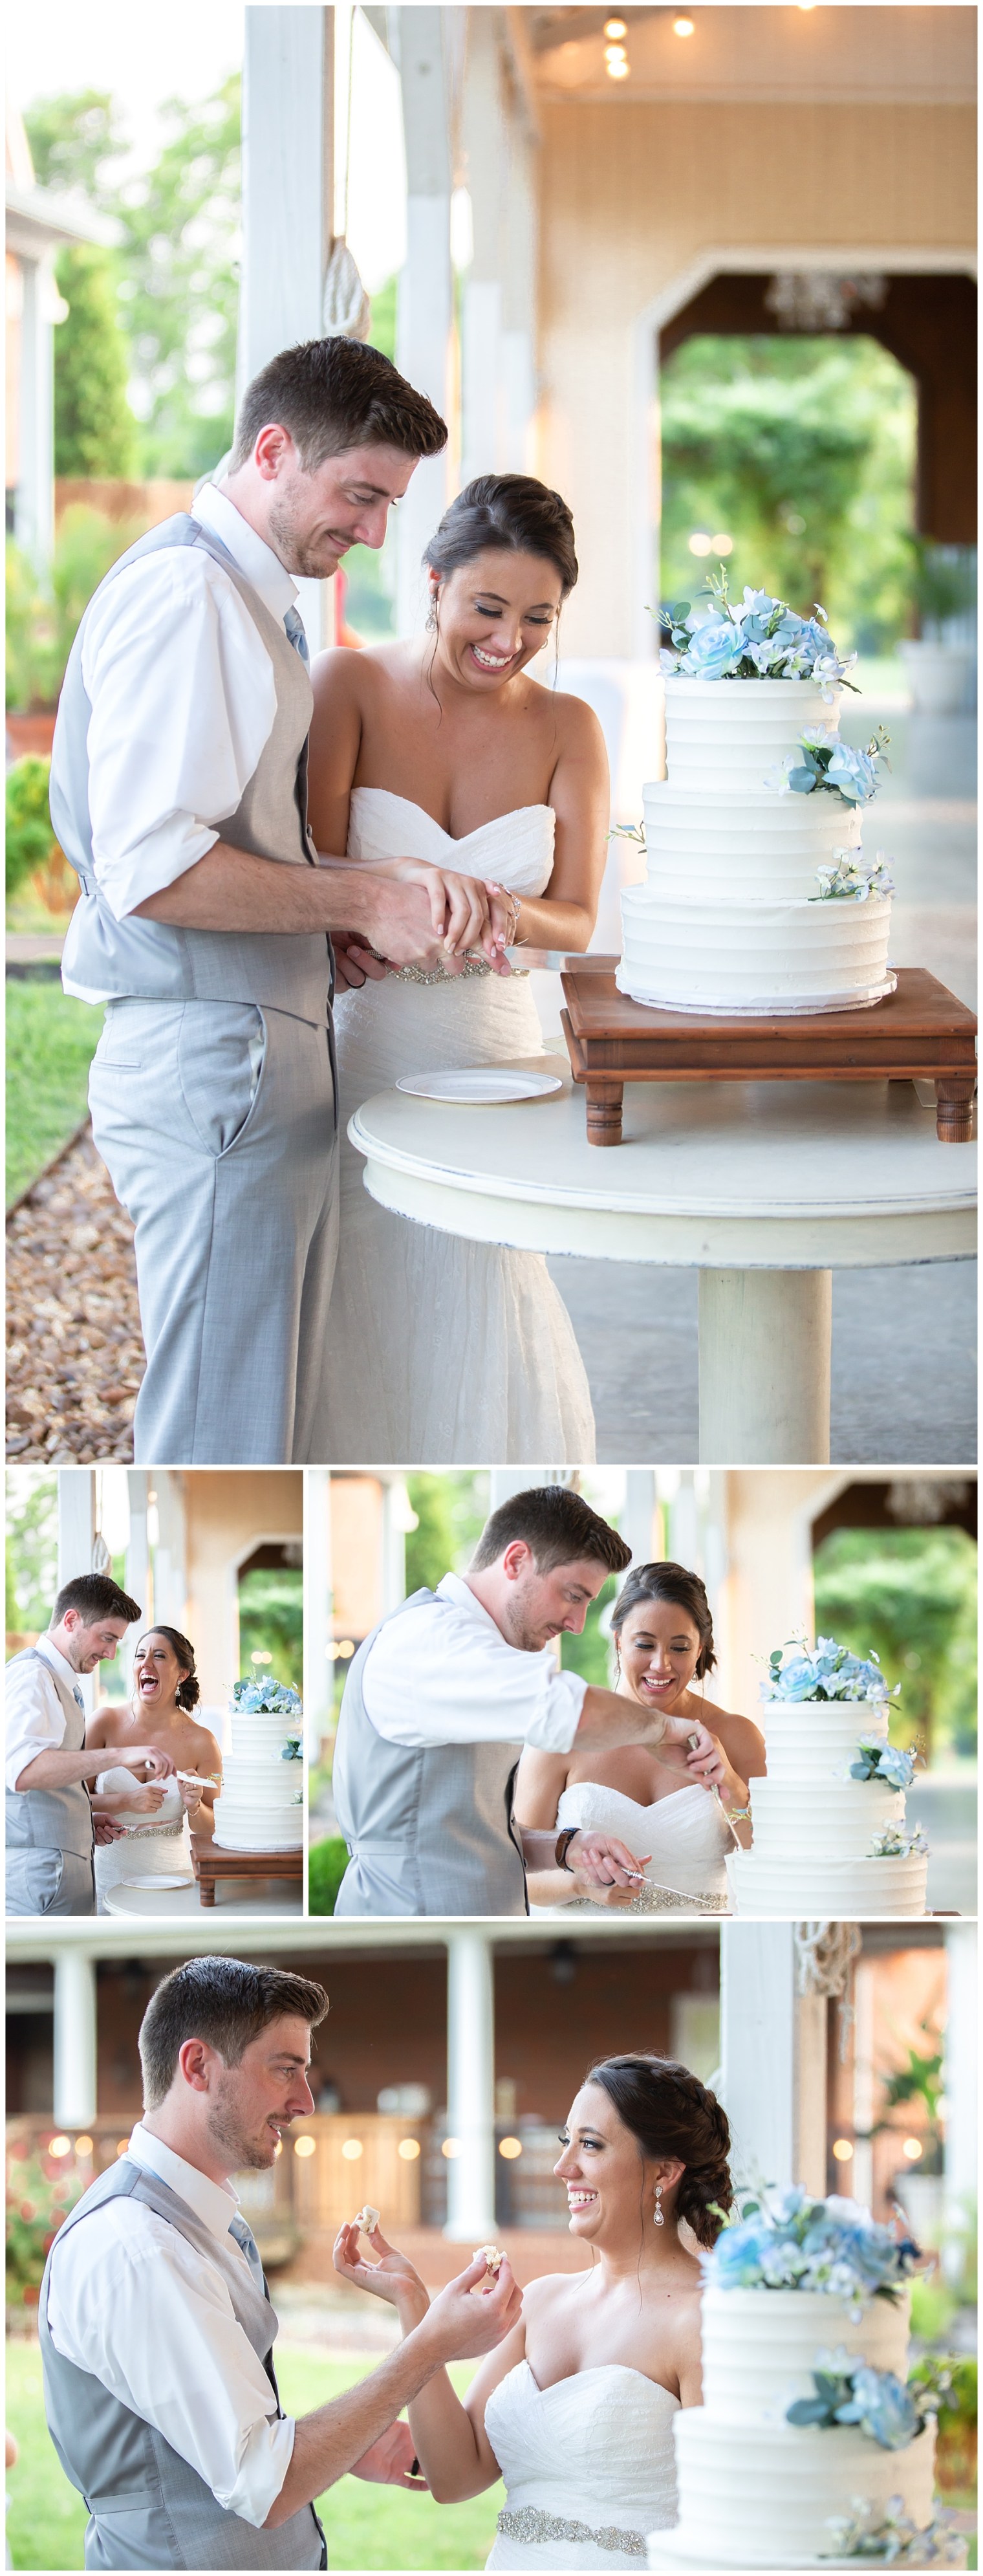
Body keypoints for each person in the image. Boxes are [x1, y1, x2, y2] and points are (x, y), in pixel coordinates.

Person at [49, 335, 475, 1467]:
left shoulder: (244, 592)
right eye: (361, 494)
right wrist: (368, 894)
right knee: (220, 1436)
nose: (378, 529)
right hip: (213, 1073)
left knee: (256, 1419)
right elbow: (151, 870)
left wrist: (323, 927)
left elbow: (218, 841)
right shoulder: (192, 594)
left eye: (392, 502)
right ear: (275, 450)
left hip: (238, 1058)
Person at [307, 472, 609, 1464]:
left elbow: (575, 918)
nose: (508, 638)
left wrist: (500, 907)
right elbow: (310, 868)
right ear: (431, 583)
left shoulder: (570, 727)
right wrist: (392, 889)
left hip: (495, 1051)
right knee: (360, 1286)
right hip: (366, 1046)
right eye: (487, 606)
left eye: (537, 616)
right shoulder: (345, 685)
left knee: (484, 1283)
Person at [39, 1956, 523, 2571]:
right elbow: (262, 2482)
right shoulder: (140, 2249)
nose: (305, 2102)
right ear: (198, 2067)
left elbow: (218, 2421)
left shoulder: (208, 2224)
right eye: (284, 2071)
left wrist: (344, 2449)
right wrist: (429, 2346)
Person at [334, 2053, 733, 2570]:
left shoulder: (706, 2320)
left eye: (590, 2144)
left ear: (665, 2171)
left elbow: (727, 2526)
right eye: (567, 2141)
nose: (563, 2167)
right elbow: (455, 2477)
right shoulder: (539, 2302)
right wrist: (416, 2309)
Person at [332, 1489, 721, 1919]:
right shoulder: (432, 1639)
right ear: (516, 1561)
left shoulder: (475, 1651)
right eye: (573, 1595)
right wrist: (664, 1730)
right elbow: (573, 1711)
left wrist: (566, 1846)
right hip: (409, 1928)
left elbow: (467, 1835)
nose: (575, 1625)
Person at [515, 1562, 767, 1916]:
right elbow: (515, 1870)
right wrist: (578, 1884)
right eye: (645, 1645)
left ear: (700, 1649)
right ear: (619, 1641)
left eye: (679, 1648)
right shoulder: (562, 1733)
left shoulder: (738, 1735)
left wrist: (728, 1782)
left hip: (705, 1944)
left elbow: (772, 1861)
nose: (661, 1664)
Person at [5, 1574, 176, 1917]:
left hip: (60, 1871)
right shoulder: (32, 1678)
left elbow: (52, 1779)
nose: (112, 1654)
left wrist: (82, 1818)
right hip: (42, 1879)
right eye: (107, 1638)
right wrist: (120, 1755)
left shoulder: (61, 1682)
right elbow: (23, 1772)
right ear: (72, 1621)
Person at [87, 1626, 221, 1912]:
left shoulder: (203, 1742)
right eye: (139, 1656)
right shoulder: (103, 1724)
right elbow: (72, 1801)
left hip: (170, 1879)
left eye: (159, 1656)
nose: (146, 1664)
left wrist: (195, 1804)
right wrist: (123, 1801)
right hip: (106, 1873)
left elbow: (213, 1831)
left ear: (181, 1674)